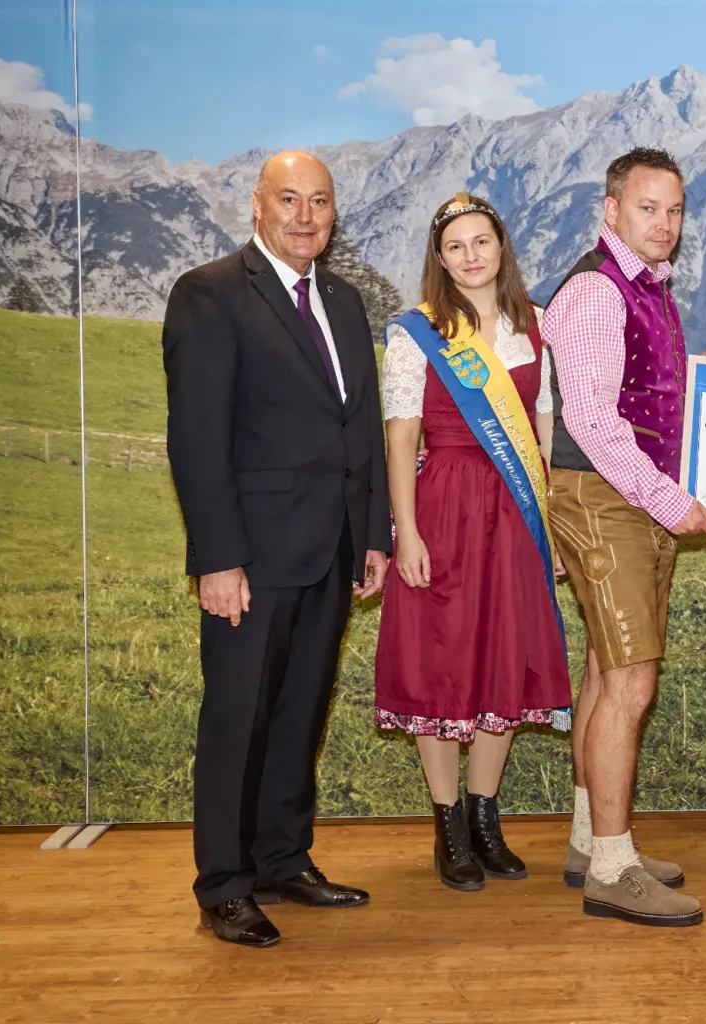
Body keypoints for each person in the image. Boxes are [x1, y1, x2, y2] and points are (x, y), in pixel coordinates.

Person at [162, 151, 390, 948]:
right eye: (288, 199)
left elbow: (358, 426)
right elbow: (196, 439)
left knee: (299, 714)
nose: (305, 215)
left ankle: (281, 859)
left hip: (330, 550)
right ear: (255, 206)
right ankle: (224, 884)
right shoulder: (211, 294)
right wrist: (215, 558)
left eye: (319, 201)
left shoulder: (345, 301)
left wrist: (374, 535)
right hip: (251, 558)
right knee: (237, 719)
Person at [373, 192, 572, 892]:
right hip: (446, 507)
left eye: (481, 241)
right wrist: (407, 533)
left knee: (504, 660)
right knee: (442, 661)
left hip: (516, 513)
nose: (470, 256)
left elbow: (544, 434)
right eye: (455, 246)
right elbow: (400, 437)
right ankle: (448, 824)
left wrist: (553, 525)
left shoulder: (536, 327)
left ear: (501, 247)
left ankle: (487, 820)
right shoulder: (415, 333)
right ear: (439, 257)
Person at [542, 147, 706, 927]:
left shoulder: (649, 291)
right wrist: (666, 499)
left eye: (674, 210)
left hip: (630, 497)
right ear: (610, 210)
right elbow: (589, 419)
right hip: (603, 496)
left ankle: (591, 842)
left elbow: (644, 396)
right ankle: (613, 869)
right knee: (632, 684)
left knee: (603, 671)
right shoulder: (593, 289)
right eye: (648, 208)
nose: (665, 224)